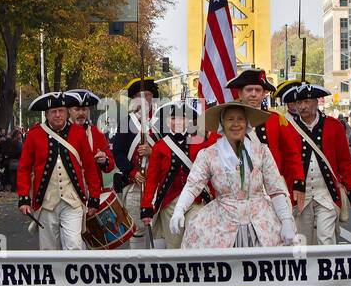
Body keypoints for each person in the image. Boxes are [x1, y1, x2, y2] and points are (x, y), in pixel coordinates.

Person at [169, 101, 295, 248]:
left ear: (247, 123)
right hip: (222, 221)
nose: (236, 124)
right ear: (222, 124)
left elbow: (275, 190)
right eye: (230, 119)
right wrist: (179, 209)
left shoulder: (261, 151)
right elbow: (193, 185)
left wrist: (286, 220)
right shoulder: (209, 154)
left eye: (240, 119)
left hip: (261, 220)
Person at [278, 80, 351, 246]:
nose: (302, 106)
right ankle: (307, 272)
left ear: (316, 103)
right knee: (303, 242)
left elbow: (344, 160)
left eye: (306, 102)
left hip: (326, 193)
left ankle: (327, 272)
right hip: (300, 195)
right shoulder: (287, 127)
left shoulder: (334, 125)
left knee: (326, 239)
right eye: (299, 102)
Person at [18, 91, 100, 250]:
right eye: (53, 112)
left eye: (61, 111)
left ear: (67, 112)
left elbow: (89, 168)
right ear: (47, 114)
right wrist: (23, 198)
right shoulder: (34, 135)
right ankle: (54, 276)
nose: (57, 115)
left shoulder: (78, 133)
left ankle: (73, 275)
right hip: (46, 202)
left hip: (73, 200)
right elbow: (24, 169)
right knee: (49, 250)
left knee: (74, 245)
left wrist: (94, 197)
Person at [224, 69, 305, 206]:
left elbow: (291, 155)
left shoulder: (275, 119)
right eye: (249, 90)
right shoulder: (225, 120)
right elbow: (214, 157)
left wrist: (298, 183)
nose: (253, 94)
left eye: (258, 90)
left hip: (272, 189)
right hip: (237, 189)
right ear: (240, 94)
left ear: (263, 94)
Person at [140, 102, 213, 248]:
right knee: (174, 244)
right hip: (169, 203)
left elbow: (210, 174)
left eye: (182, 118)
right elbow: (152, 179)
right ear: (167, 121)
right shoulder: (160, 146)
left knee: (197, 236)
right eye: (173, 118)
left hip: (196, 200)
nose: (178, 122)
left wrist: (216, 198)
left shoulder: (200, 144)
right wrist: (146, 206)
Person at [111, 79, 161, 243]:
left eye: (147, 95)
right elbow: (118, 153)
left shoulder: (163, 121)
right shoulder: (126, 122)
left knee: (158, 229)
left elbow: (171, 152)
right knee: (136, 229)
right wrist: (133, 173)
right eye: (139, 96)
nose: (144, 99)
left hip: (159, 183)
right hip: (135, 183)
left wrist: (152, 151)